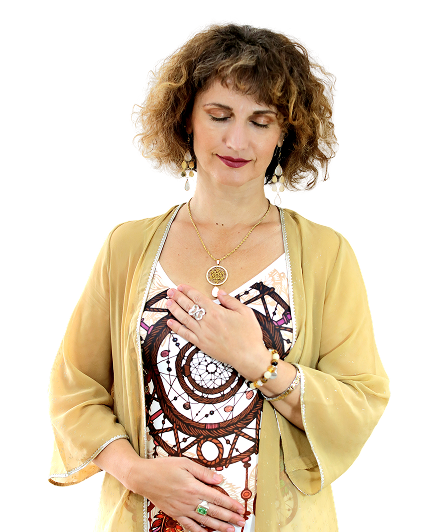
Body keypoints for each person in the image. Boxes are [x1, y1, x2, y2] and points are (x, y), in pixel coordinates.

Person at [47, 21, 391, 532]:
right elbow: (75, 389)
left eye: (260, 121)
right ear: (185, 118)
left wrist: (258, 363)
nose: (237, 140)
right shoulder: (126, 246)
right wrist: (136, 473)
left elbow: (361, 401)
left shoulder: (327, 254)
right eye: (219, 115)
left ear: (285, 132)